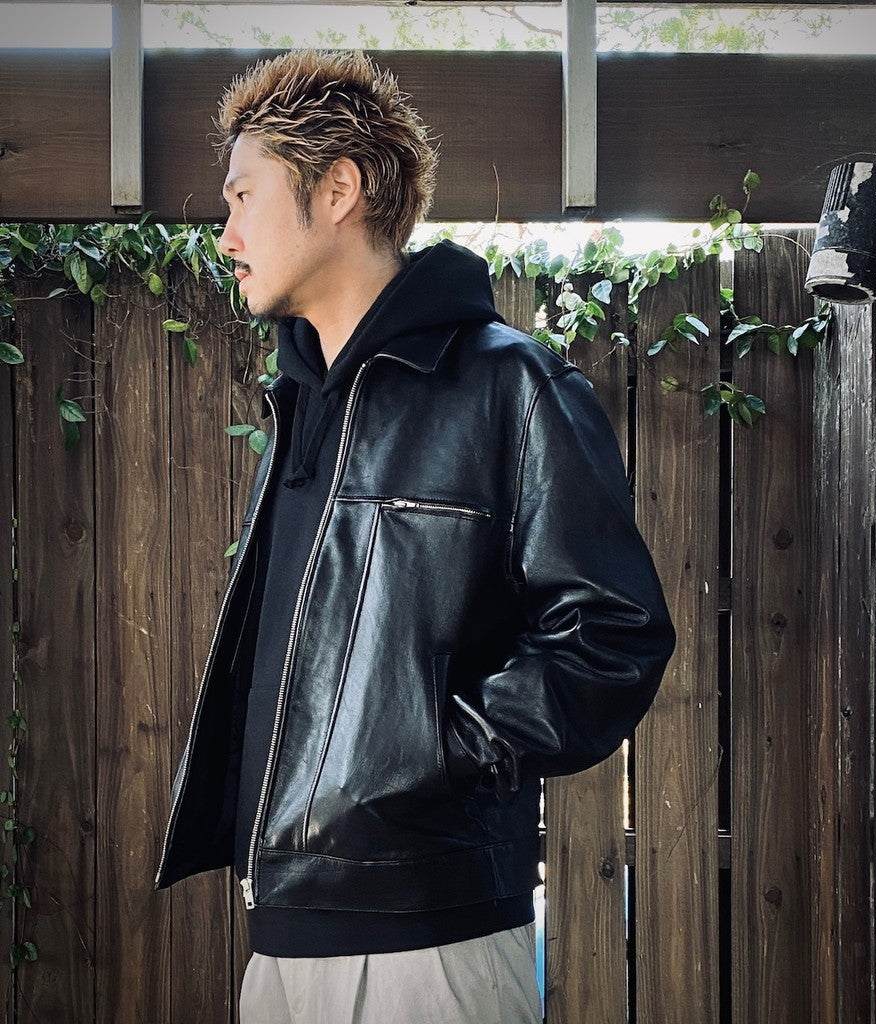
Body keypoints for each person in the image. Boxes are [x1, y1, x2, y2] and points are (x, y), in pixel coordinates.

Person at [153, 48, 676, 1024]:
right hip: (280, 942)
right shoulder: (302, 406)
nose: (224, 235)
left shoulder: (508, 386)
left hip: (425, 946)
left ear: (337, 190)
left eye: (243, 196)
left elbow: (613, 634)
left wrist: (437, 753)